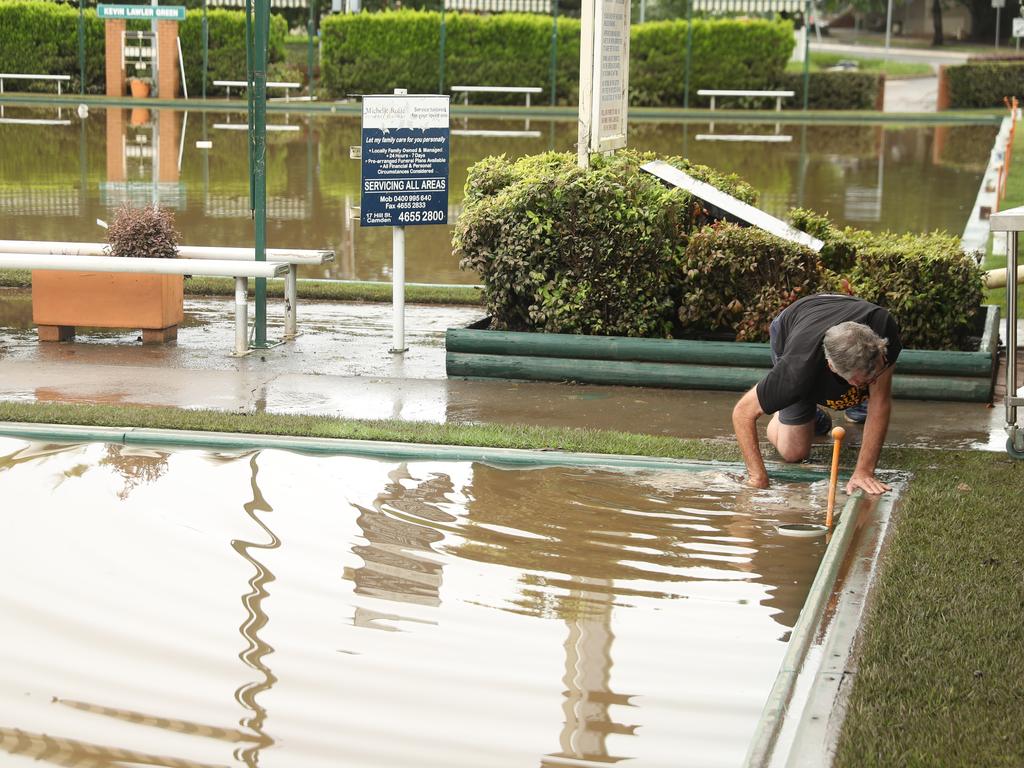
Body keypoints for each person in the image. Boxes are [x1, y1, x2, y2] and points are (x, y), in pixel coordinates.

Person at [732, 293, 901, 495]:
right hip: (795, 325)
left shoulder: (881, 329)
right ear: (832, 368)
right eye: (864, 381)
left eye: (877, 372)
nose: (874, 381)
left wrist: (864, 471)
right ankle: (792, 412)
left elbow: (880, 402)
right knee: (793, 452)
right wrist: (758, 478)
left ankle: (844, 405)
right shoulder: (797, 371)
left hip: (835, 316)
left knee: (872, 384)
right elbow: (742, 413)